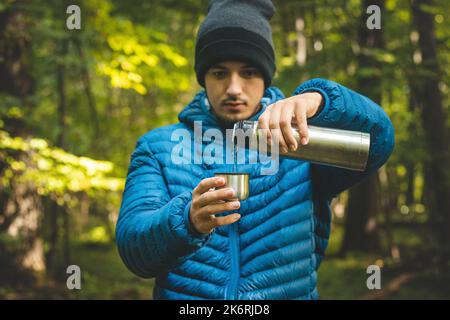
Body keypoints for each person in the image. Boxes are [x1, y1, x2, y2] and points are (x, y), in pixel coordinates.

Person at [116, 0, 394, 300]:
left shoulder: (302, 141)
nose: (234, 88)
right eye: (220, 73)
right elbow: (134, 250)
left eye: (248, 72)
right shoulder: (158, 148)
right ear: (203, 78)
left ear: (265, 77)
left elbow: (378, 141)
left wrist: (322, 99)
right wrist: (186, 220)